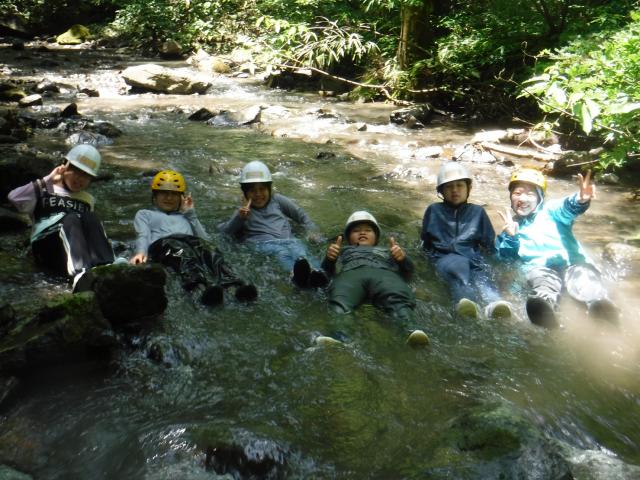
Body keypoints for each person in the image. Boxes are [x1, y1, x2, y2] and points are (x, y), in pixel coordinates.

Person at [496, 168, 618, 328]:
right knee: (542, 282)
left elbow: (567, 208)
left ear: (540, 198)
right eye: (517, 193)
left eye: (530, 194)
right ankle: (544, 306)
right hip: (540, 268)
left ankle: (599, 304)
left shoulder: (551, 210)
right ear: (511, 197)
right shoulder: (509, 227)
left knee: (583, 280)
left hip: (573, 263)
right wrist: (512, 237)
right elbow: (507, 259)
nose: (523, 198)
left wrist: (580, 199)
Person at [130, 169, 257, 306]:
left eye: (174, 194)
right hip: (163, 245)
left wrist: (192, 214)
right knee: (180, 251)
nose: (169, 197)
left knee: (209, 250)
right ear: (154, 196)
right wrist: (141, 252)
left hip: (188, 242)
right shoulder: (145, 214)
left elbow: (206, 240)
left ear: (181, 198)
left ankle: (234, 285)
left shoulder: (187, 216)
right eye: (164, 193)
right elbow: (142, 234)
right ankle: (199, 289)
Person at [7, 144, 116, 291]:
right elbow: (14, 198)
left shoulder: (87, 199)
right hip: (46, 248)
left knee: (90, 218)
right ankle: (80, 273)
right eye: (76, 172)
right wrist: (48, 180)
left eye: (86, 176)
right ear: (64, 166)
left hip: (70, 252)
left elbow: (89, 234)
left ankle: (106, 266)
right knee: (70, 218)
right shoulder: (44, 189)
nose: (80, 179)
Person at [320, 211, 429, 347]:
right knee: (339, 299)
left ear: (376, 236)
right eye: (356, 230)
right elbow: (326, 274)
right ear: (348, 237)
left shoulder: (388, 251)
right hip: (350, 275)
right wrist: (329, 259)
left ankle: (411, 330)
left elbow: (408, 273)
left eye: (368, 230)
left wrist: (403, 259)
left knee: (397, 297)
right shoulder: (341, 250)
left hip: (383, 274)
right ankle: (340, 336)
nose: (362, 233)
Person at [421, 162, 512, 319]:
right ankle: (467, 304)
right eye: (449, 187)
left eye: (459, 185)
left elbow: (489, 245)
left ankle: (495, 304)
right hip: (445, 259)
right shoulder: (434, 210)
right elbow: (426, 243)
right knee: (460, 277)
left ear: (468, 188)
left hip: (473, 258)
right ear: (441, 191)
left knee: (482, 277)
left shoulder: (478, 212)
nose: (455, 190)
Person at [219, 160, 328, 288]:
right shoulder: (243, 211)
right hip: (263, 244)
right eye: (252, 191)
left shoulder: (277, 200)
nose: (258, 194)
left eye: (262, 189)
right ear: (245, 193)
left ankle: (318, 273)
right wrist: (240, 218)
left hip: (289, 240)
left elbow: (302, 217)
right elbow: (225, 232)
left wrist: (312, 231)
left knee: (299, 249)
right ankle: (294, 275)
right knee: (281, 252)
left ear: (269, 189)